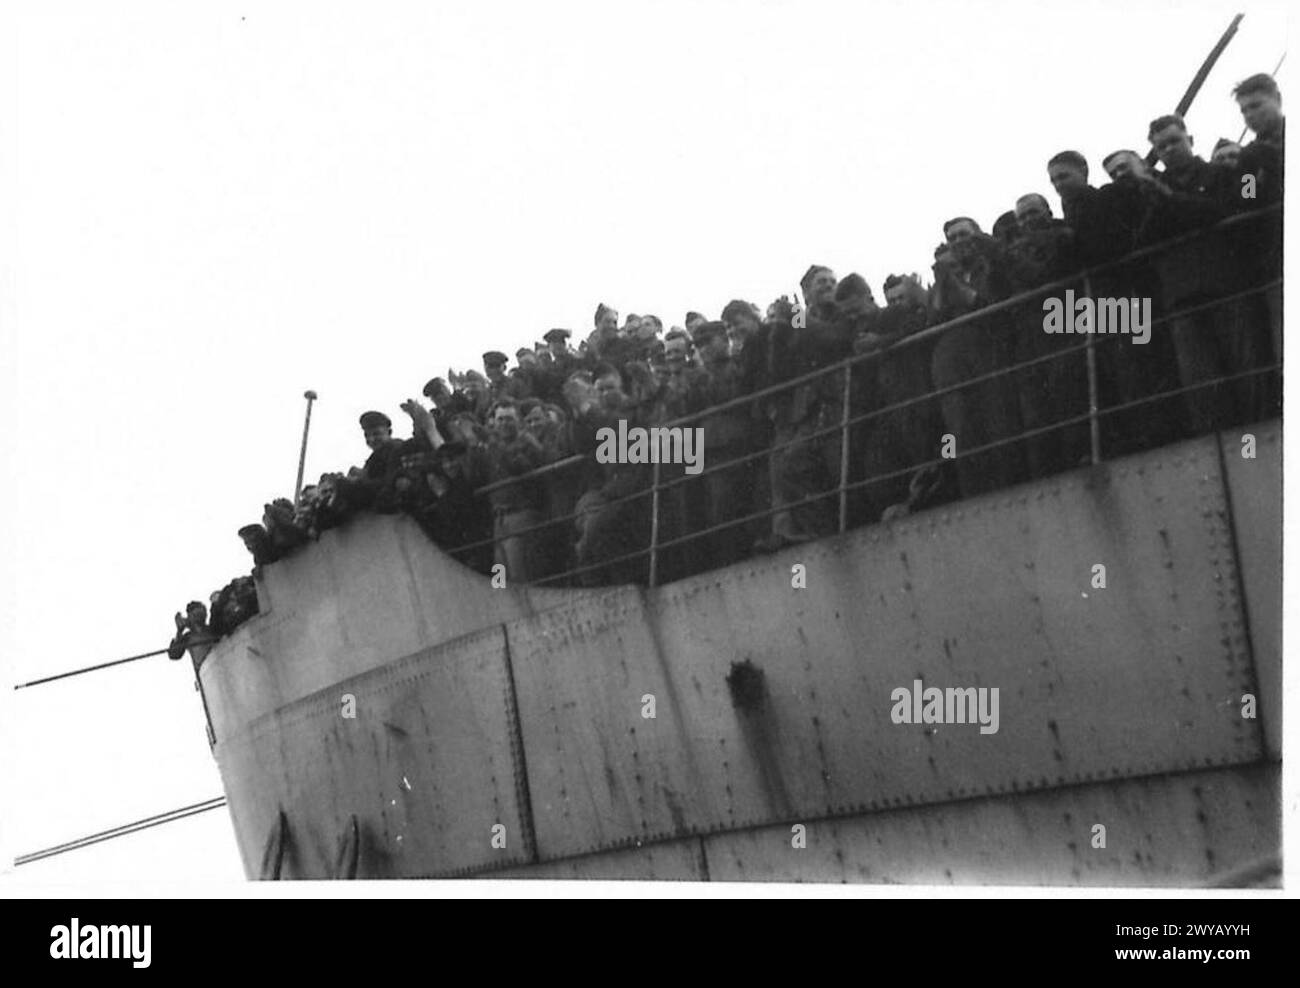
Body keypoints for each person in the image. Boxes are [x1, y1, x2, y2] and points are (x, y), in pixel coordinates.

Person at [928, 217, 1025, 498]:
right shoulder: (949, 277)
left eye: (962, 234)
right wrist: (942, 282)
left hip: (990, 351)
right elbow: (933, 318)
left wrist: (952, 284)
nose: (958, 242)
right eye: (952, 238)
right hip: (955, 364)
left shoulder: (992, 266)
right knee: (962, 432)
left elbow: (983, 303)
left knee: (1000, 423)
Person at [168, 601, 216, 667]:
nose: (200, 618)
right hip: (205, 670)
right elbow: (174, 654)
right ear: (190, 616)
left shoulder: (213, 628)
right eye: (196, 615)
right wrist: (179, 631)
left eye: (202, 614)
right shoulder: (188, 637)